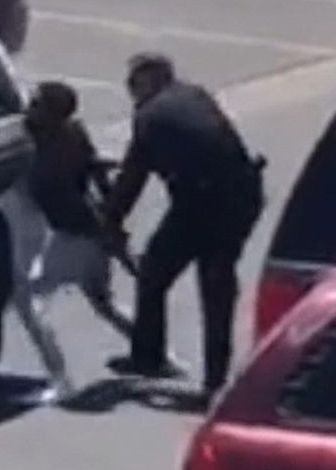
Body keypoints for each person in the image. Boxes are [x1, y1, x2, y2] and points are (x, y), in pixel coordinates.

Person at [103, 53, 264, 403]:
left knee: (160, 274)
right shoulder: (194, 94)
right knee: (215, 284)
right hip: (241, 194)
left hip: (203, 204)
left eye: (134, 83)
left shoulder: (151, 116)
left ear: (148, 80)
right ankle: (212, 376)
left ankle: (151, 358)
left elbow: (133, 177)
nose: (131, 91)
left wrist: (109, 219)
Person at [9, 80, 135, 404]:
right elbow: (96, 172)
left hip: (72, 235)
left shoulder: (47, 146)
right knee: (103, 303)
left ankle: (62, 382)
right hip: (92, 230)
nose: (29, 108)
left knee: (31, 303)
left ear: (52, 113)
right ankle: (155, 351)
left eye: (37, 104)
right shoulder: (73, 132)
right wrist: (113, 220)